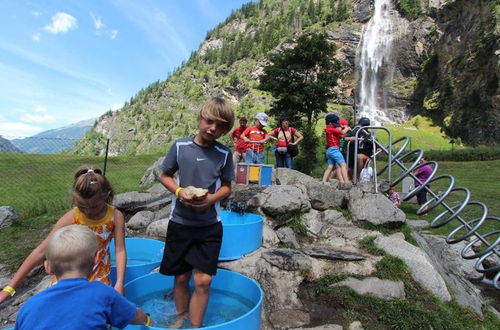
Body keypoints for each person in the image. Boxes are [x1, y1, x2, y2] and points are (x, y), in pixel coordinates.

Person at [0, 165, 127, 304]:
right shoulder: (73, 217)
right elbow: (41, 250)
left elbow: (120, 250)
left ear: (106, 196)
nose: (89, 212)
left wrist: (119, 283)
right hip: (69, 278)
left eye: (95, 206)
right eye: (83, 207)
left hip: (100, 277)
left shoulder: (115, 216)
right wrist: (10, 288)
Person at [159, 97, 235, 328]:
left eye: (221, 126)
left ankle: (195, 325)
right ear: (200, 118)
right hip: (180, 223)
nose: (213, 128)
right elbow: (165, 175)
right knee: (181, 277)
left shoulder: (224, 154)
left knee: (203, 281)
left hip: (209, 225)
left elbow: (227, 186)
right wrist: (180, 191)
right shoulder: (180, 147)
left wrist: (211, 198)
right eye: (210, 121)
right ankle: (181, 317)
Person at [14, 225, 150, 330]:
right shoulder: (102, 294)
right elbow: (135, 316)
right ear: (97, 259)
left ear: (47, 267)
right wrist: (148, 320)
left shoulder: (29, 307)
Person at [321, 114, 350, 183]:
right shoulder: (331, 129)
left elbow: (341, 135)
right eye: (335, 124)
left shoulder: (329, 130)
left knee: (330, 167)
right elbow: (342, 132)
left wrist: (342, 129)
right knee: (343, 165)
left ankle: (323, 181)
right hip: (335, 150)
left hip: (329, 151)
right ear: (330, 123)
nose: (336, 126)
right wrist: (347, 128)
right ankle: (346, 182)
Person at [344, 117, 373, 181]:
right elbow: (345, 138)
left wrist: (378, 149)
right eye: (363, 125)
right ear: (359, 125)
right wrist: (350, 138)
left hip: (365, 156)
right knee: (346, 170)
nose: (364, 127)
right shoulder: (355, 132)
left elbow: (377, 144)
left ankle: (357, 177)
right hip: (352, 156)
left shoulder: (370, 135)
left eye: (366, 125)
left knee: (359, 157)